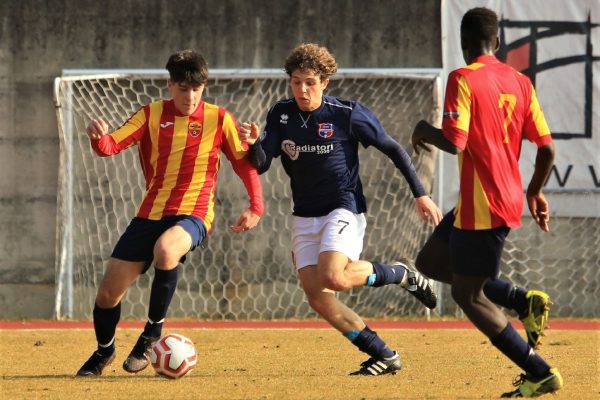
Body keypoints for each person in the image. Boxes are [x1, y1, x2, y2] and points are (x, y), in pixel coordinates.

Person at [239, 43, 442, 376]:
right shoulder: (281, 113)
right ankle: (383, 354)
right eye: (295, 82)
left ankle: (402, 274)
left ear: (324, 83)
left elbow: (393, 149)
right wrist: (253, 146)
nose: (302, 89)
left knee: (334, 275)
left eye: (309, 82)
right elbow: (262, 163)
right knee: (318, 297)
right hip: (304, 214)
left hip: (343, 207)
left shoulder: (346, 114)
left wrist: (421, 194)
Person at [76, 49, 264, 376]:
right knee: (108, 294)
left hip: (194, 213)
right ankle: (104, 351)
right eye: (182, 88)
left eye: (196, 89)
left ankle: (152, 334)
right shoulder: (149, 115)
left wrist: (256, 207)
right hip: (150, 213)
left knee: (166, 250)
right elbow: (111, 146)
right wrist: (98, 138)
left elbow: (243, 163)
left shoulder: (219, 119)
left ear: (203, 87)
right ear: (170, 85)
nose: (190, 96)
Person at [411, 7, 562, 397]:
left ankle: (539, 371)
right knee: (429, 262)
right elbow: (547, 149)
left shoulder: (462, 77)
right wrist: (535, 191)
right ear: (497, 42)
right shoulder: (520, 81)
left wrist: (424, 130)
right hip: (494, 200)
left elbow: (454, 141)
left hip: (484, 205)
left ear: (464, 46)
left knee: (467, 294)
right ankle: (522, 301)